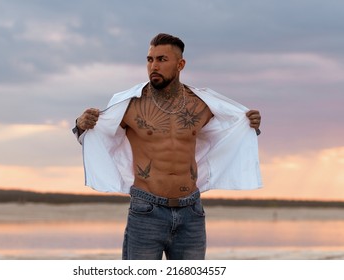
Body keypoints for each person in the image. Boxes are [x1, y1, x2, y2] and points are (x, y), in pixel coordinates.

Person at [73, 33, 262, 260]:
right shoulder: (130, 103)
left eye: (162, 59)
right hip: (146, 210)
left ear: (180, 64)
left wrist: (250, 123)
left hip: (191, 212)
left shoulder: (201, 104)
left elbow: (229, 129)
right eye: (150, 59)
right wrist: (81, 124)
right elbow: (99, 131)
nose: (154, 66)